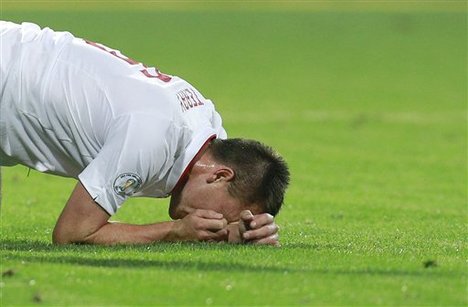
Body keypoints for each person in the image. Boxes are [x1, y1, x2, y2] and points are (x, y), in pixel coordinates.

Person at [0, 21, 290, 246]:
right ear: (220, 176)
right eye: (223, 217)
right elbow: (73, 233)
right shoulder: (151, 137)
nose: (215, 222)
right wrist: (174, 231)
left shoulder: (207, 127)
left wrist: (239, 232)